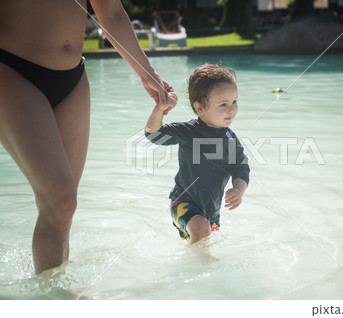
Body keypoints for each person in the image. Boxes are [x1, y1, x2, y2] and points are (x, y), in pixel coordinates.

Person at [0, 0, 174, 274]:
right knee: (61, 200)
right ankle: (54, 297)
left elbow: (111, 12)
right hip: (11, 71)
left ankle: (54, 292)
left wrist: (147, 73)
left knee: (62, 210)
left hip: (72, 78)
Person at [145, 63, 250, 245]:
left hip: (212, 212)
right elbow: (153, 135)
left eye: (234, 101)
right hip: (183, 204)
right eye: (223, 104)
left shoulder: (231, 140)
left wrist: (238, 190)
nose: (231, 109)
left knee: (204, 236)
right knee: (200, 228)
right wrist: (159, 110)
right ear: (200, 108)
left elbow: (241, 169)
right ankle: (201, 267)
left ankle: (197, 264)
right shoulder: (188, 131)